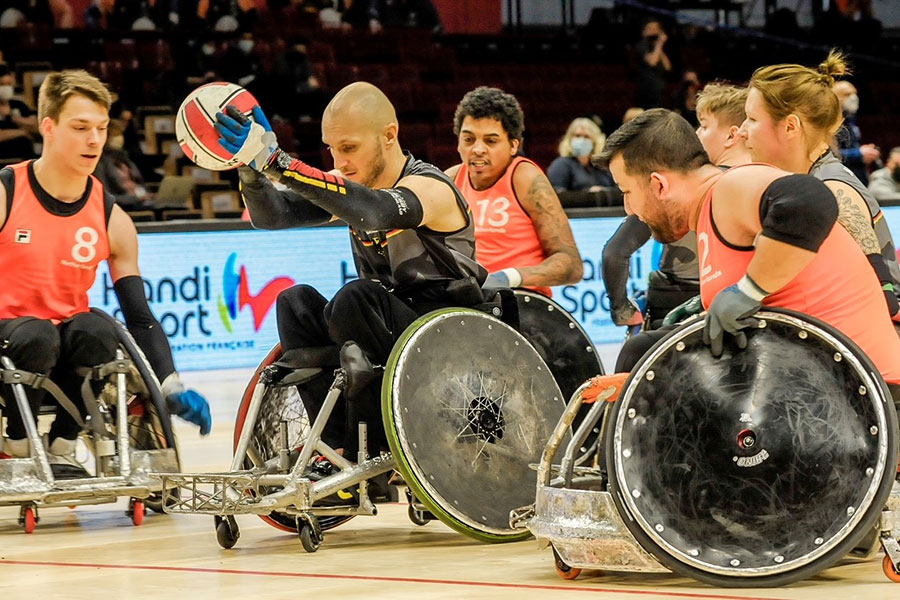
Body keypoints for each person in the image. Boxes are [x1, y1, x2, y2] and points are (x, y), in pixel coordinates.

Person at [215, 81, 486, 455]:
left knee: (356, 296)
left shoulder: (429, 186)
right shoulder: (354, 184)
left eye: (349, 148)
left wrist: (278, 161)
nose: (339, 161)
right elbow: (274, 216)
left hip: (445, 331)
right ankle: (333, 444)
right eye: (331, 149)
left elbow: (374, 210)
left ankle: (366, 449)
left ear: (389, 135)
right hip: (385, 324)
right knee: (296, 302)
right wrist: (251, 171)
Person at [596, 109, 900, 406]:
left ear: (658, 184)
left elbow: (811, 200)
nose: (629, 209)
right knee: (645, 350)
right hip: (822, 381)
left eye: (627, 192)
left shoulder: (729, 188)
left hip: (860, 392)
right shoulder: (709, 213)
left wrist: (748, 291)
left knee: (648, 362)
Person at [0, 70, 211, 477]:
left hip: (62, 348)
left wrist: (170, 385)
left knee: (100, 332)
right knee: (37, 335)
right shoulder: (7, 192)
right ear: (49, 127)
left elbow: (140, 317)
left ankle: (63, 444)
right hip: (10, 342)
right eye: (80, 128)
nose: (95, 140)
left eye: (100, 128)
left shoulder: (111, 218)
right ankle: (16, 440)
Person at [741, 51, 900, 321]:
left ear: (790, 127)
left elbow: (886, 298)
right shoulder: (806, 181)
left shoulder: (834, 189)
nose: (743, 129)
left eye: (752, 119)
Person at [602, 83, 750, 331]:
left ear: (732, 135)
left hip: (679, 303)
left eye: (703, 126)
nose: (696, 134)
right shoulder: (762, 181)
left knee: (633, 355)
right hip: (735, 309)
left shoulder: (686, 186)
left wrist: (621, 310)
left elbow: (614, 253)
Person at [444, 86, 582, 298]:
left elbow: (571, 265)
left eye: (490, 141)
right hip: (470, 304)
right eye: (469, 139)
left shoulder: (524, 177)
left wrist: (507, 278)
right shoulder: (451, 179)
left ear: (513, 145)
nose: (478, 149)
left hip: (521, 303)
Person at [546, 117, 614, 193]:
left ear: (595, 141)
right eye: (577, 136)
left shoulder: (602, 166)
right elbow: (558, 194)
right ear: (570, 139)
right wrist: (588, 194)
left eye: (586, 137)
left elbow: (618, 189)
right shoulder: (560, 164)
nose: (582, 140)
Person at [833, 80, 880, 185]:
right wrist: (858, 154)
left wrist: (864, 152)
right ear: (834, 97)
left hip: (857, 175)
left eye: (855, 94)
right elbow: (829, 154)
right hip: (840, 178)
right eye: (847, 94)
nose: (853, 98)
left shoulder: (850, 118)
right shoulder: (829, 123)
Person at [0, 63, 38, 160]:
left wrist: (11, 116)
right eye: (2, 85)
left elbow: (36, 126)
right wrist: (22, 132)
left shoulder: (18, 105)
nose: (6, 88)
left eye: (8, 84)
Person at [634, 20, 671, 109]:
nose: (654, 31)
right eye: (650, 28)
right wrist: (659, 44)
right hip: (646, 90)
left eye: (656, 28)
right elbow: (652, 62)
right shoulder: (641, 46)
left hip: (659, 89)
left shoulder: (658, 47)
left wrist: (659, 45)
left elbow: (667, 67)